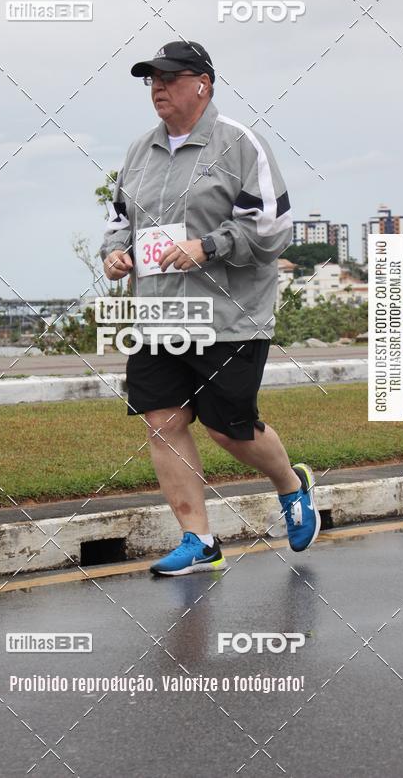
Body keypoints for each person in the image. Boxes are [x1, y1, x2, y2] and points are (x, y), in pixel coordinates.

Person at [100, 40, 320, 576]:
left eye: (169, 78)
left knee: (229, 429)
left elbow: (272, 226)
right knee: (163, 422)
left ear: (203, 84)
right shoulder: (138, 152)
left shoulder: (240, 143)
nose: (158, 87)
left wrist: (209, 246)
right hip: (158, 315)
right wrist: (115, 253)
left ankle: (291, 484)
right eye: (151, 79)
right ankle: (199, 541)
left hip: (229, 316)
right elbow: (119, 219)